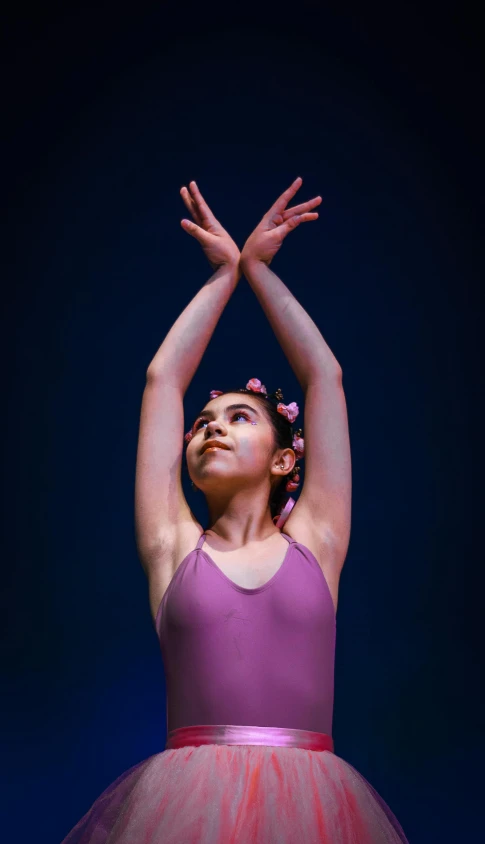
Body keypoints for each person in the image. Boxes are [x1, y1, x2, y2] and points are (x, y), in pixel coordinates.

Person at [60, 177, 409, 842]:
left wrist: (259, 271)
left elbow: (322, 376)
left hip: (315, 807)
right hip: (185, 809)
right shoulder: (172, 549)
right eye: (200, 423)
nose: (209, 429)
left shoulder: (318, 539)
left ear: (284, 461)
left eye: (237, 417)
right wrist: (222, 276)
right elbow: (163, 380)